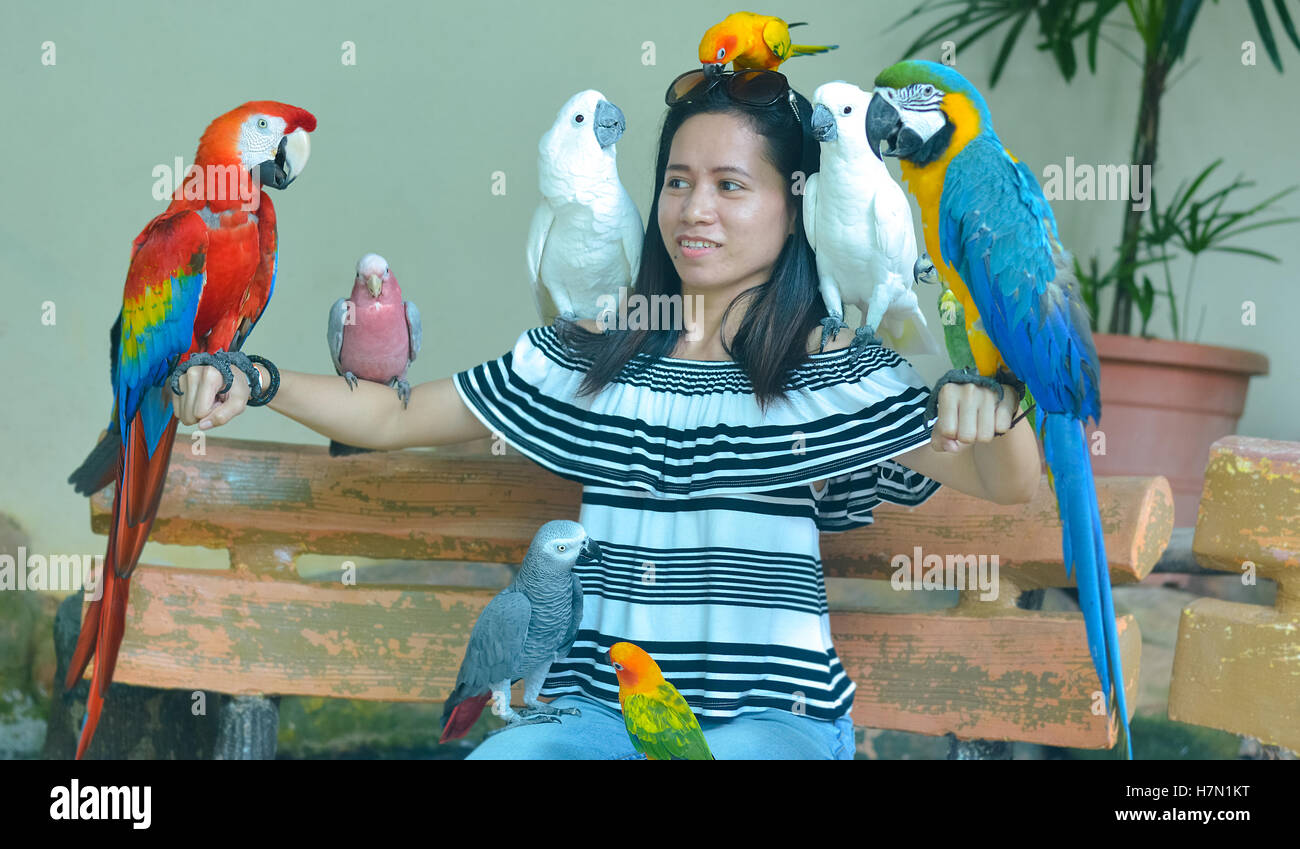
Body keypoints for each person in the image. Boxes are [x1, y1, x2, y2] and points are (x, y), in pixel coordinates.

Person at [171, 67, 1042, 760]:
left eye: (731, 185)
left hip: (770, 728)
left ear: (795, 204)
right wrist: (255, 376)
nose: (694, 209)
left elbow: (1002, 481)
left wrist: (988, 406)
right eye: (677, 180)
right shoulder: (591, 358)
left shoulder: (835, 369)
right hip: (594, 720)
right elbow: (399, 419)